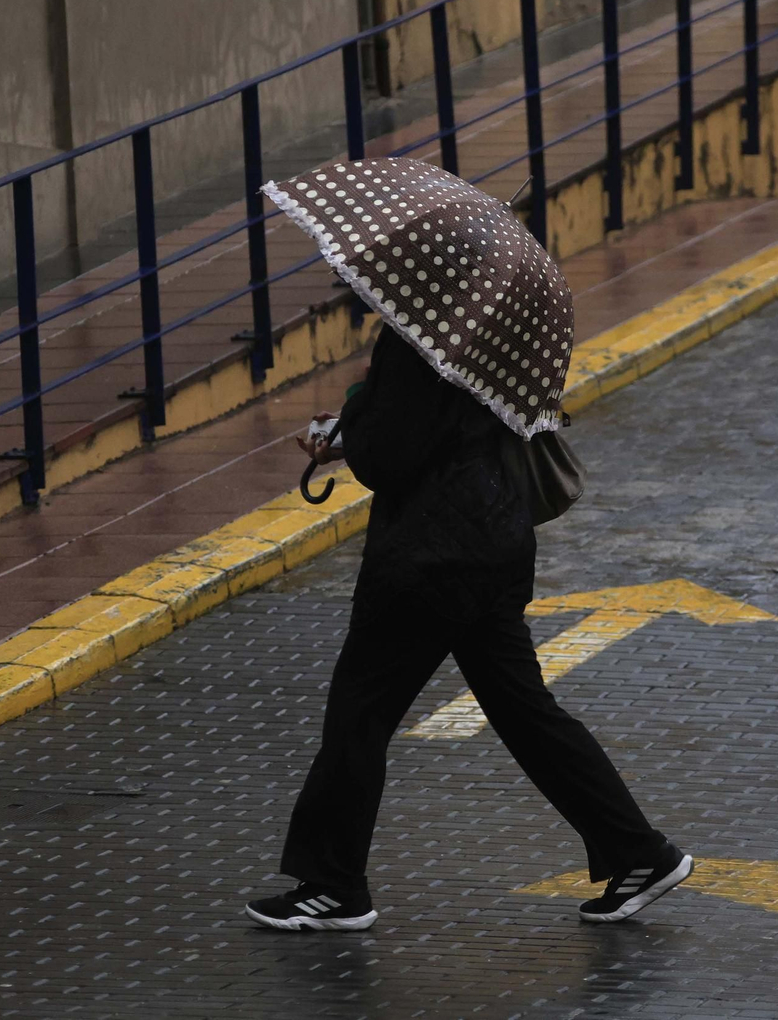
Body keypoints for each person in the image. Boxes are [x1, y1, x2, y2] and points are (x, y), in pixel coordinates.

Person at [245, 325, 692, 931]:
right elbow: (446, 423)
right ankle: (639, 852)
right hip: (497, 539)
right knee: (526, 712)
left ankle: (331, 884)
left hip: (432, 556)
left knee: (360, 710)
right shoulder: (493, 330)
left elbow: (390, 454)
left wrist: (348, 425)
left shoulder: (415, 339)